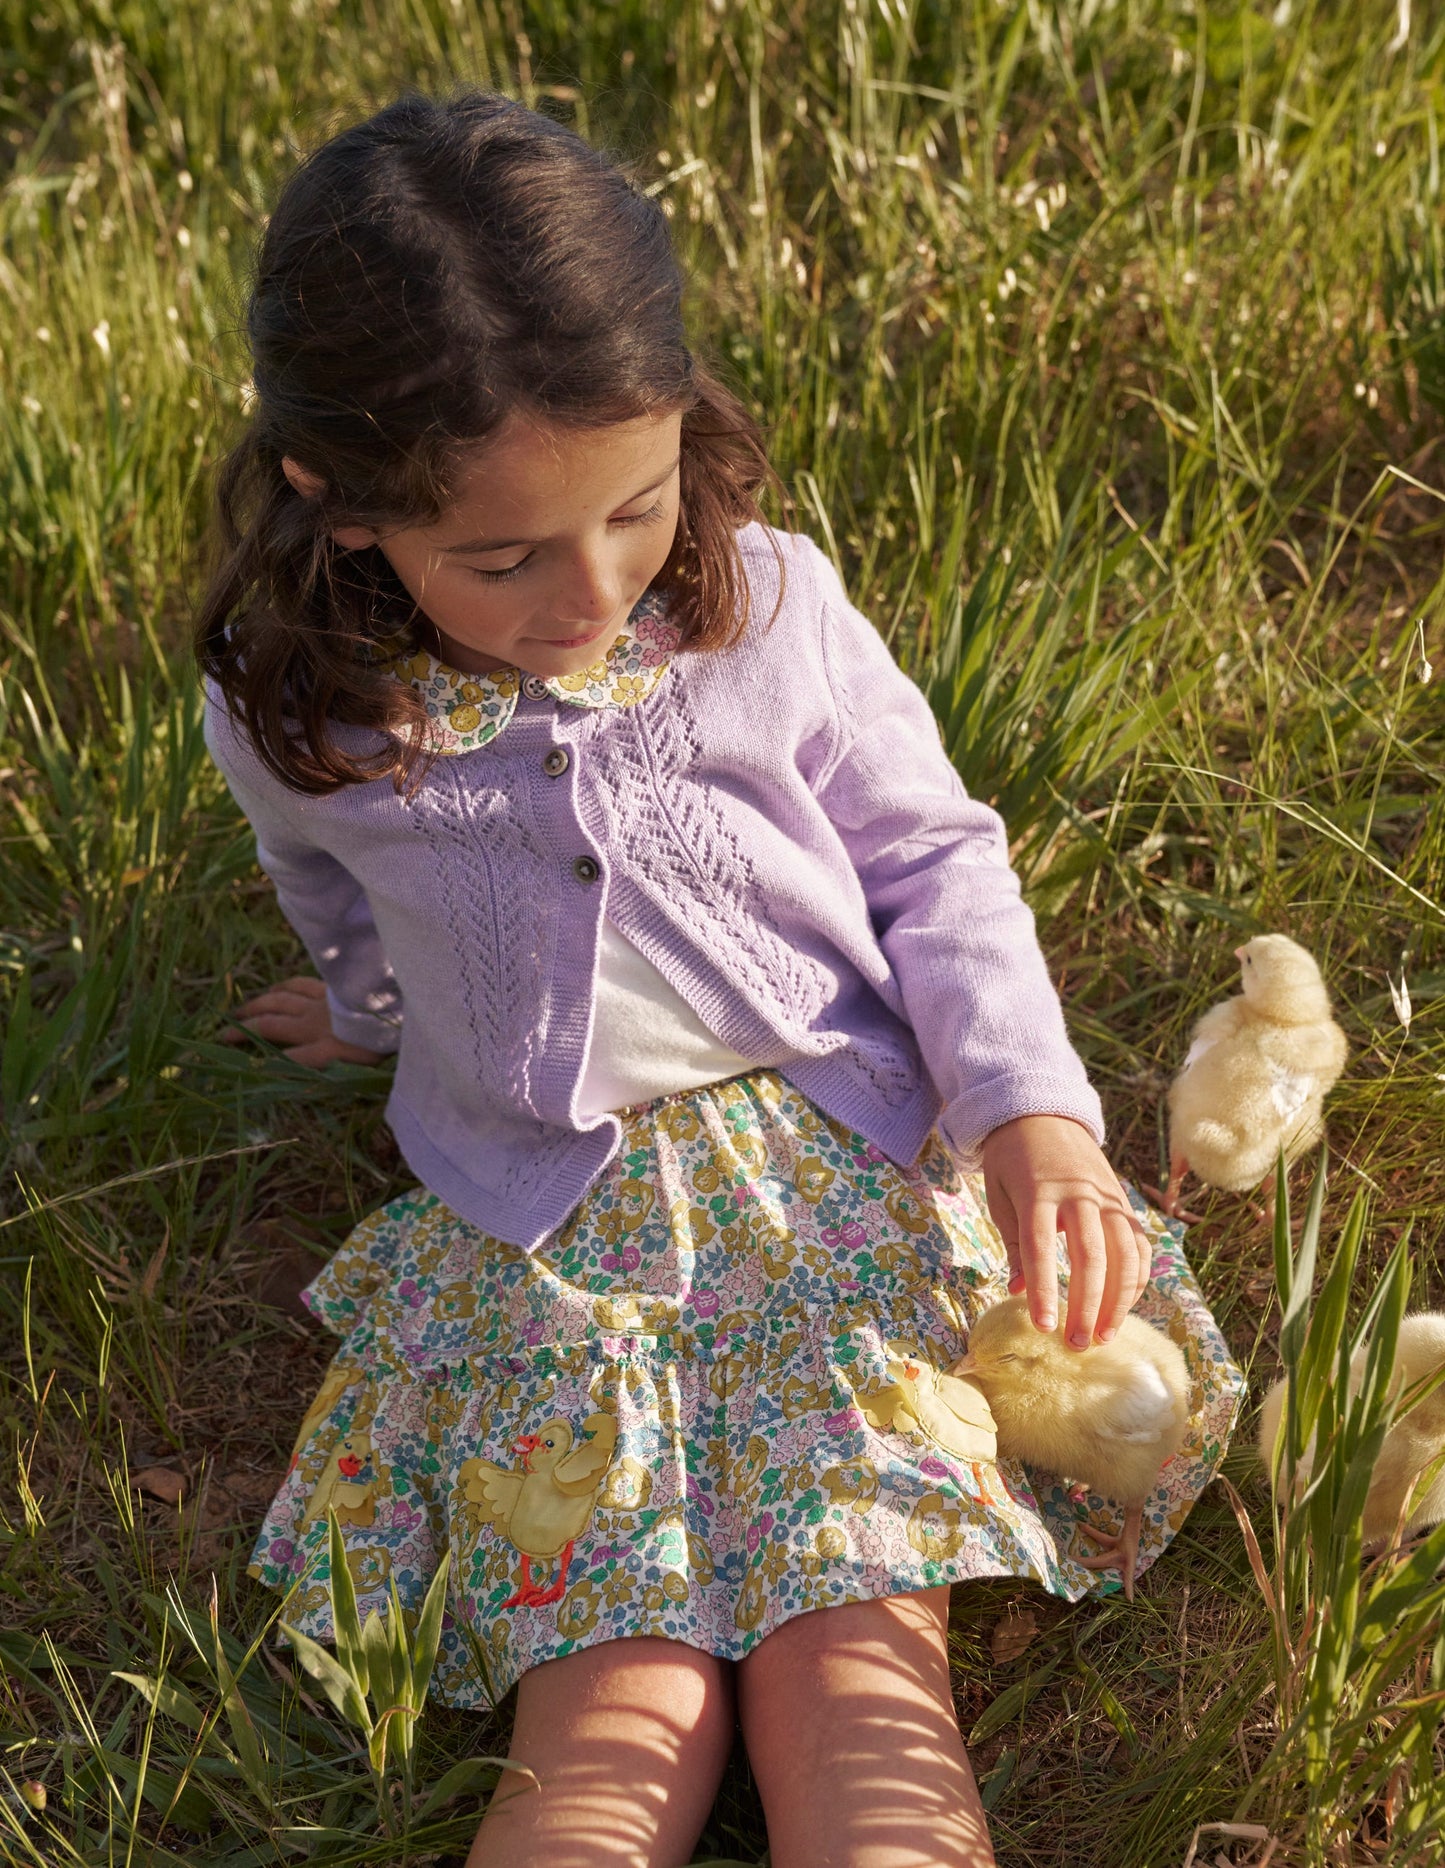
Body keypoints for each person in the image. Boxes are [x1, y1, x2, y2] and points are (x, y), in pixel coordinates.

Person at [199, 90, 1240, 1868]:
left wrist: (1028, 1114)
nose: (586, 591)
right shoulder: (304, 714)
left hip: (833, 1189)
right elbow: (339, 901)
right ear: (338, 498)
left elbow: (932, 859)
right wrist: (376, 1016)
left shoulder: (767, 607)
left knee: (859, 1652)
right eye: (502, 556)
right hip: (553, 1236)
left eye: (635, 506)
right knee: (611, 1689)